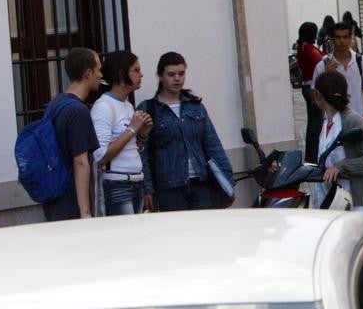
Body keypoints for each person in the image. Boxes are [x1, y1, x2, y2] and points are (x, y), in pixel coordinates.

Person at [139, 52, 234, 211]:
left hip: (200, 183)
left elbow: (212, 145)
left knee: (203, 231)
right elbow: (143, 152)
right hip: (169, 187)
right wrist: (147, 187)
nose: (177, 79)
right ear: (161, 76)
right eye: (171, 74)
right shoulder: (149, 108)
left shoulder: (195, 106)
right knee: (177, 233)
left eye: (181, 74)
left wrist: (227, 181)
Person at [41, 47, 102, 221]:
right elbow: (80, 161)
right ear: (88, 73)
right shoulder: (78, 111)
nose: (100, 74)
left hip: (54, 193)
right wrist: (85, 212)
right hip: (71, 199)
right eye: (98, 69)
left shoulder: (56, 103)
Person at [314, 70, 363, 214]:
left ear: (317, 94)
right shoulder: (327, 121)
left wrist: (341, 167)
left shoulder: (353, 121)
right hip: (335, 202)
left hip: (359, 203)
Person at [91, 50, 153, 216]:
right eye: (136, 70)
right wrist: (132, 128)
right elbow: (101, 155)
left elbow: (133, 148)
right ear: (121, 74)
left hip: (136, 180)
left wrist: (143, 134)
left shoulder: (128, 105)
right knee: (126, 237)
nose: (141, 74)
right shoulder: (103, 106)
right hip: (118, 184)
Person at [311, 21, 363, 128]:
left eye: (345, 37)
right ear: (332, 39)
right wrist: (326, 76)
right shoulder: (322, 66)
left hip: (361, 119)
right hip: (335, 124)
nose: (342, 41)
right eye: (338, 37)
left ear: (350, 38)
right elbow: (315, 96)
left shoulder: (362, 61)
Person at [296, 22, 325, 163]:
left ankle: (311, 157)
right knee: (316, 124)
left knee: (314, 124)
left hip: (307, 86)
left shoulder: (302, 46)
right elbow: (320, 61)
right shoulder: (307, 47)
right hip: (312, 88)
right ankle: (312, 158)